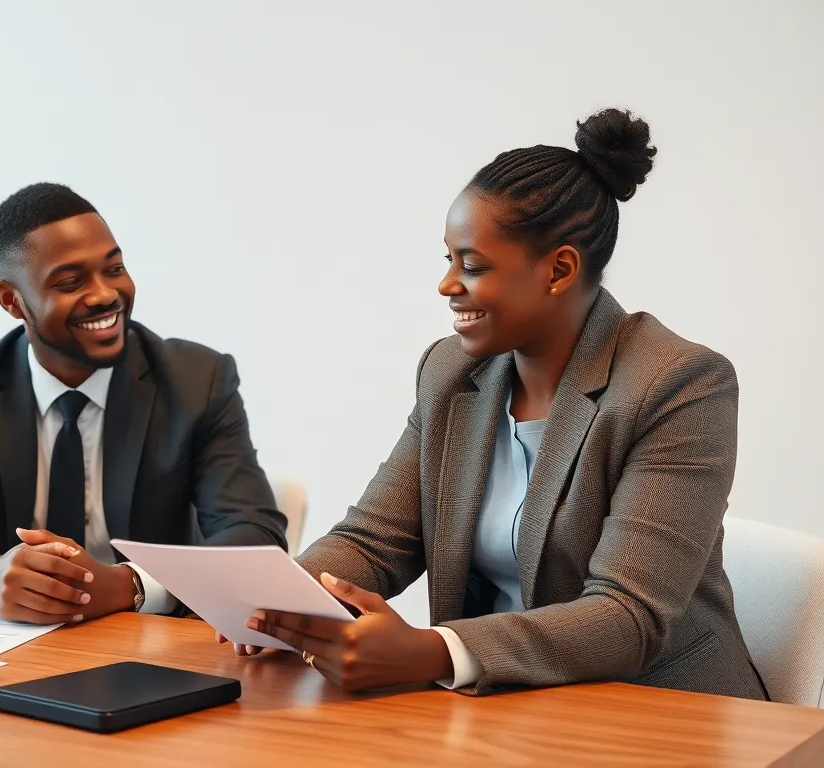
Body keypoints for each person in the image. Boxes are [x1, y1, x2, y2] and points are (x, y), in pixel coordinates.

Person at [235, 109, 767, 700]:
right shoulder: (452, 371)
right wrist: (284, 605)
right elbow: (373, 539)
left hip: (656, 710)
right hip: (506, 708)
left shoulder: (679, 384)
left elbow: (627, 616)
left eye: (473, 265)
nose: (446, 285)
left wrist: (432, 650)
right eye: (448, 260)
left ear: (559, 270)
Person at [0, 183, 286, 623]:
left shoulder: (196, 380)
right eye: (71, 281)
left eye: (113, 269)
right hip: (3, 659)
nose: (105, 294)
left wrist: (128, 586)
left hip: (148, 649)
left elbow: (255, 540)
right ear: (12, 301)